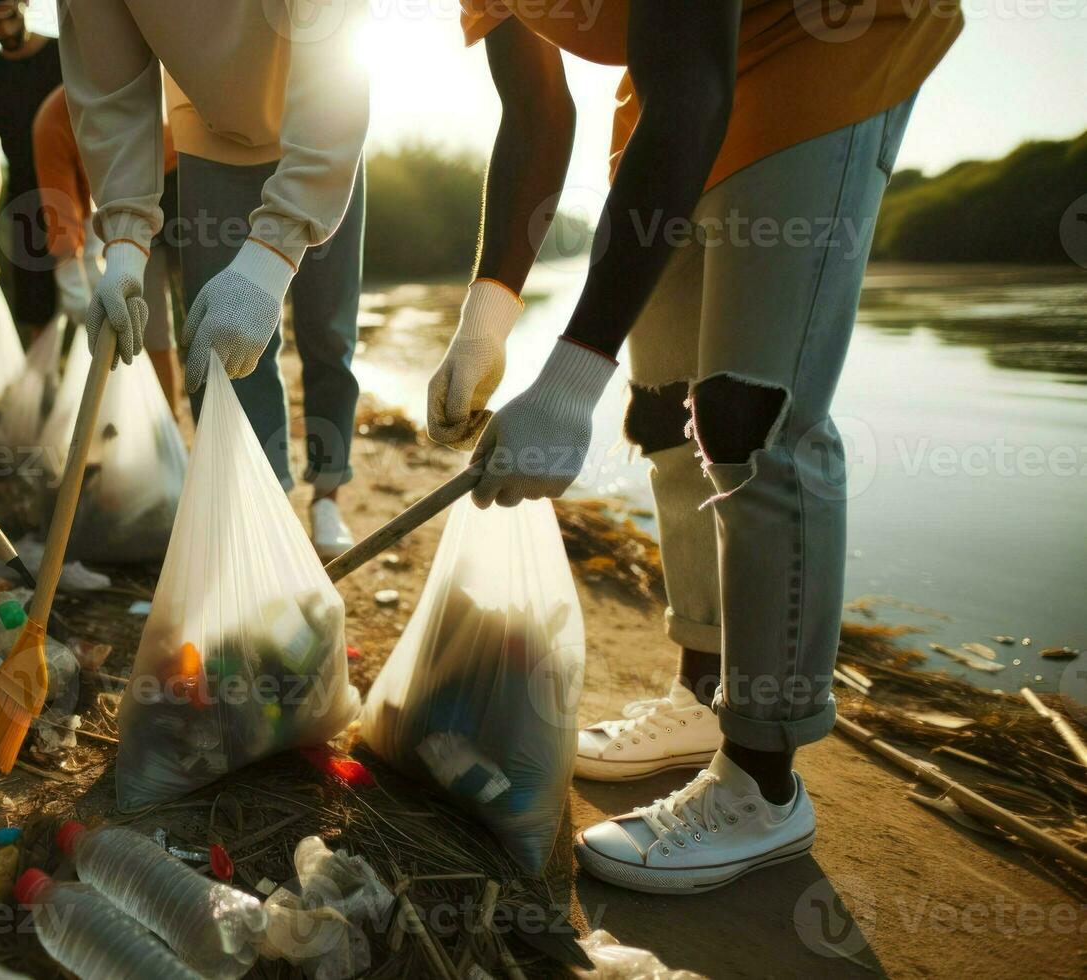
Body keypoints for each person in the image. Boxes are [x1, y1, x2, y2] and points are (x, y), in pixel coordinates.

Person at [429, 0, 961, 892]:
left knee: (748, 415)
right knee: (666, 407)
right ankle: (704, 691)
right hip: (678, 79)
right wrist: (488, 312)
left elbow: (693, 95)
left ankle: (763, 781)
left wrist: (567, 382)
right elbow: (534, 113)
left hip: (821, 45)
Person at [57, 0, 369, 558]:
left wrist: (272, 257)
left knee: (328, 332)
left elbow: (337, 47)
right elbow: (112, 90)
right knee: (222, 356)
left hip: (320, 119)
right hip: (209, 134)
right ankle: (259, 520)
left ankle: (328, 492)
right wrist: (125, 247)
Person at [30, 85, 187, 414]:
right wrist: (69, 265)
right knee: (149, 321)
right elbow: (61, 199)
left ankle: (215, 429)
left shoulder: (153, 80)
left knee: (205, 310)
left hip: (183, 175)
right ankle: (167, 429)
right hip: (130, 204)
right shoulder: (53, 120)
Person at [0, 0, 64, 332]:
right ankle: (47, 383)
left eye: (9, 18)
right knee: (38, 317)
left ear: (25, 4)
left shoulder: (67, 58)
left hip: (78, 202)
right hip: (26, 210)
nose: (4, 30)